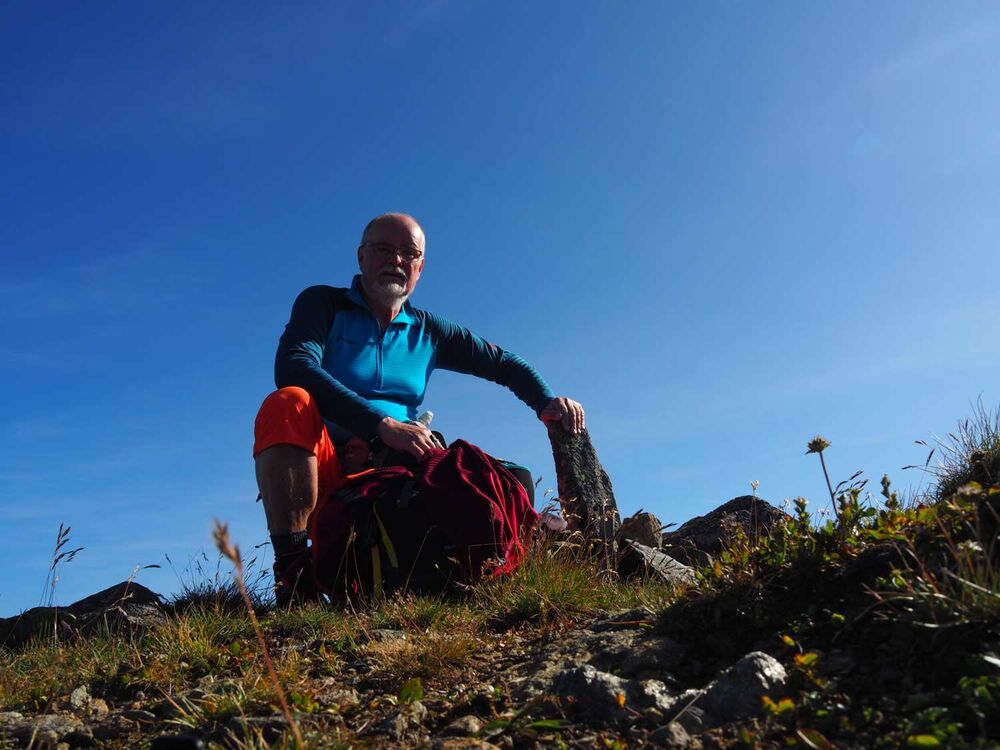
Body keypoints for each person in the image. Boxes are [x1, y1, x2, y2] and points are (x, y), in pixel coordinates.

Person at [253, 213, 585, 597]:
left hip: (396, 468)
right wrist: (379, 426)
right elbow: (294, 365)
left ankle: (493, 569)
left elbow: (503, 363)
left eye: (408, 253)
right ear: (361, 257)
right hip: (322, 465)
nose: (396, 260)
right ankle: (294, 578)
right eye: (383, 249)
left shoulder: (430, 330)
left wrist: (546, 401)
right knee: (288, 402)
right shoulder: (324, 304)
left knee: (508, 477)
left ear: (420, 266)